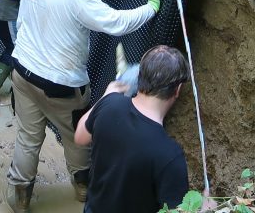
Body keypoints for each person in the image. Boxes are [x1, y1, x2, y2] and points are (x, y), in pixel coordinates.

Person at [3, 0, 163, 212]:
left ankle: (20, 199)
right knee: (77, 138)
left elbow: (22, 22)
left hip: (22, 73)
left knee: (28, 138)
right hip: (61, 88)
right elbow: (116, 22)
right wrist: (150, 9)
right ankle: (82, 191)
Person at [74, 45, 190, 213]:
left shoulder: (110, 105)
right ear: (177, 90)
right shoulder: (170, 154)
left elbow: (80, 137)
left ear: (139, 76)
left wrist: (106, 97)